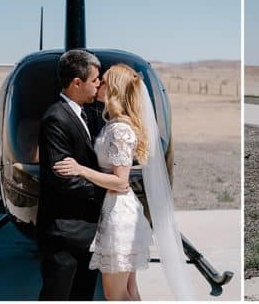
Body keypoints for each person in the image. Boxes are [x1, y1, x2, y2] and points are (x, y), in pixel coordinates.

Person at [53, 63, 193, 300]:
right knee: (129, 292)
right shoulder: (116, 124)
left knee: (115, 295)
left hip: (119, 217)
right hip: (120, 211)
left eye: (104, 81)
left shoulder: (119, 129)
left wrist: (80, 170)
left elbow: (120, 182)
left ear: (114, 88)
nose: (98, 84)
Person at [37, 49, 121, 300]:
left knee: (82, 295)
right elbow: (65, 179)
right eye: (95, 80)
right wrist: (110, 188)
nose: (99, 85)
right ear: (77, 83)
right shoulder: (56, 118)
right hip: (65, 232)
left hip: (87, 230)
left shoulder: (87, 113)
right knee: (58, 296)